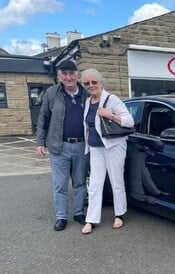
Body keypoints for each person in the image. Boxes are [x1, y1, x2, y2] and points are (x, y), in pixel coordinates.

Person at [36, 60, 89, 231]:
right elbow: (43, 118)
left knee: (80, 182)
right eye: (64, 74)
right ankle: (61, 217)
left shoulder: (86, 93)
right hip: (59, 146)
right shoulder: (52, 93)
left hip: (82, 145)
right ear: (59, 76)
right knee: (60, 184)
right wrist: (40, 141)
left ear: (77, 74)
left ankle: (79, 212)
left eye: (71, 73)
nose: (68, 77)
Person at [80, 68, 134, 235]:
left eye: (94, 82)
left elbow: (129, 120)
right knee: (95, 184)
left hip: (114, 146)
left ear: (100, 82)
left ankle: (119, 214)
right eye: (87, 83)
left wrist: (110, 115)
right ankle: (91, 219)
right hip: (96, 147)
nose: (90, 85)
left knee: (116, 180)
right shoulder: (88, 101)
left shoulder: (112, 99)